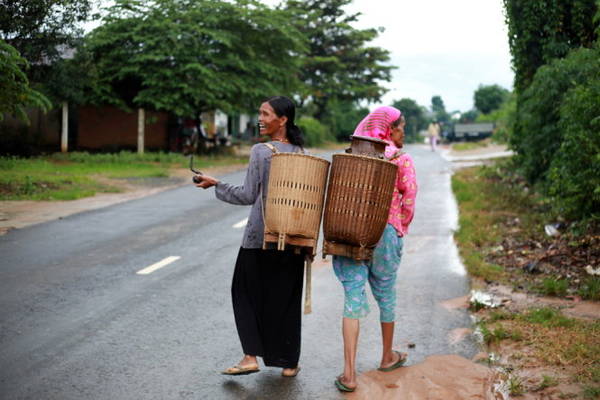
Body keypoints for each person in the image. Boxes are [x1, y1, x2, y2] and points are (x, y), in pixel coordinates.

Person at [194, 96, 305, 378]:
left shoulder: (261, 151)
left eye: (265, 114)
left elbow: (247, 195)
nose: (260, 118)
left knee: (244, 293)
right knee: (286, 299)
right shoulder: (300, 151)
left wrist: (216, 184)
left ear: (283, 120)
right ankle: (289, 361)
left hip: (261, 238)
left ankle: (249, 357)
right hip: (292, 237)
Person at [333, 106, 418, 393]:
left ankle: (349, 374)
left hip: (351, 232)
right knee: (386, 293)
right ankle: (386, 356)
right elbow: (410, 196)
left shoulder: (353, 156)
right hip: (386, 234)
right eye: (401, 127)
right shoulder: (400, 158)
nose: (403, 132)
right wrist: (398, 227)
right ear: (389, 129)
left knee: (352, 299)